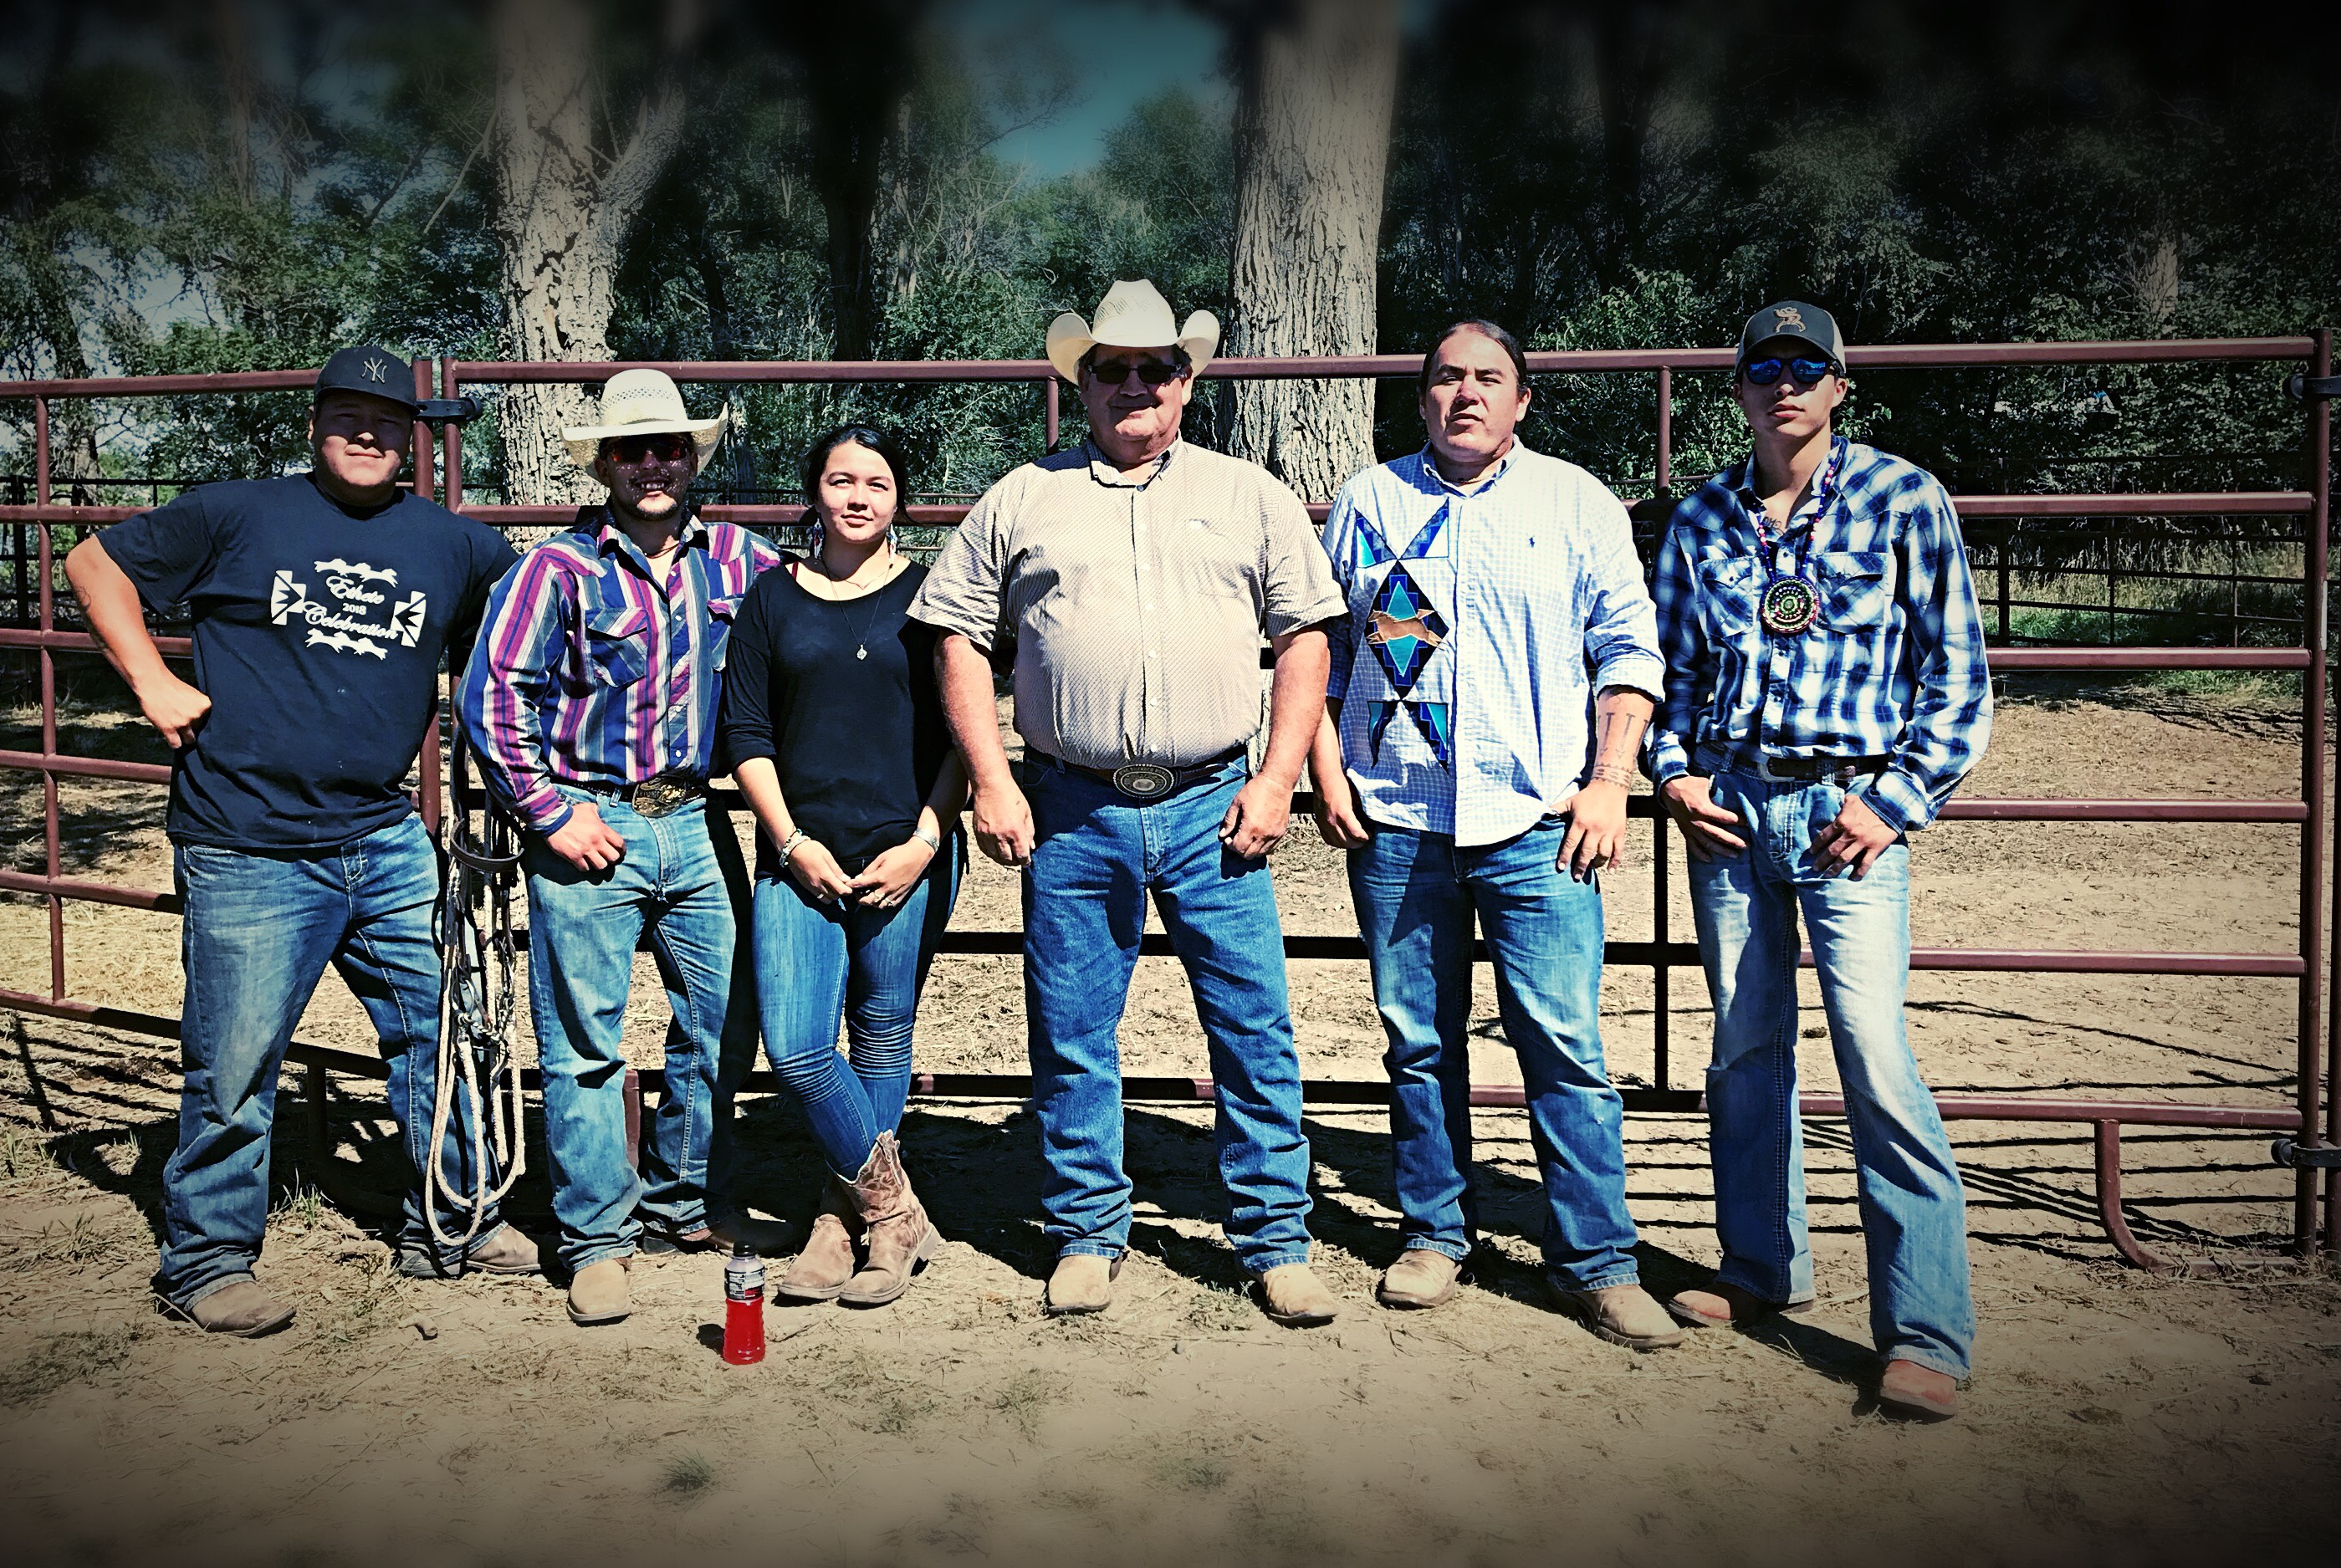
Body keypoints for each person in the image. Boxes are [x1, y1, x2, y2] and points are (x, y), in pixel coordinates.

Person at [66, 345, 533, 1336]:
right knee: (234, 1063)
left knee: (443, 1033)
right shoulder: (239, 513)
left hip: (383, 834)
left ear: (415, 433)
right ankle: (205, 1262)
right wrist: (150, 680)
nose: (367, 434)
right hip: (248, 842)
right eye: (347, 416)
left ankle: (449, 1218)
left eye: (387, 420)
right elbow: (93, 563)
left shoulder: (451, 544)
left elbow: (542, 614)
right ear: (315, 421)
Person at [911, 278, 1347, 1325]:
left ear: (1188, 382)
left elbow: (1306, 636)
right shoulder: (1022, 495)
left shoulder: (1251, 495)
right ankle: (1086, 1230)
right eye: (1113, 369)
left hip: (1214, 803)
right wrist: (993, 775)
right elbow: (956, 635)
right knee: (1070, 1029)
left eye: (1156, 368)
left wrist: (1279, 774)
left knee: (1252, 1025)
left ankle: (1274, 1235)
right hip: (1071, 803)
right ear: (1084, 382)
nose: (1135, 386)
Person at [1308, 320, 1683, 1351]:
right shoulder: (1370, 503)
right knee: (1417, 1040)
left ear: (1523, 399)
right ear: (1420, 396)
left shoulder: (1576, 502)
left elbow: (1627, 647)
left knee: (1563, 1044)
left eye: (1489, 379)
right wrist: (1325, 767)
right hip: (1399, 815)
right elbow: (1329, 648)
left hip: (1538, 820)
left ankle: (1596, 1262)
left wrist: (1611, 781)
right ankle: (1434, 1232)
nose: (1464, 393)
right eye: (1445, 377)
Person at [1648, 299, 1991, 1422]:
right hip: (1736, 807)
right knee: (1746, 1048)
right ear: (1738, 386)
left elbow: (1956, 677)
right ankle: (1758, 1268)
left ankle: (1925, 1327)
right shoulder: (1701, 517)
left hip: (1851, 811)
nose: (1782, 383)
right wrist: (1674, 769)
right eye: (1763, 367)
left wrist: (1894, 802)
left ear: (1841, 385)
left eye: (1806, 366)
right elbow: (1675, 668)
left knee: (1875, 1057)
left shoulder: (1903, 499)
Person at [461, 369, 784, 1326]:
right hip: (587, 820)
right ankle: (596, 1237)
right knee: (582, 1042)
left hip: (696, 816)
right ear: (603, 462)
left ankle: (683, 1203)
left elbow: (808, 635)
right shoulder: (554, 570)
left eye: (670, 448)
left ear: (693, 459)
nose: (653, 464)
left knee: (726, 1020)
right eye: (632, 450)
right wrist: (548, 811)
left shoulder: (742, 561)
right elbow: (492, 698)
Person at [718, 424, 969, 1308]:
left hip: (909, 850)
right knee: (794, 1048)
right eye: (840, 480)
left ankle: (841, 1217)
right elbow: (745, 733)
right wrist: (789, 842)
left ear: (901, 497)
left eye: (877, 483)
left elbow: (959, 737)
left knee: (883, 1032)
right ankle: (894, 1209)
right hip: (799, 854)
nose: (858, 497)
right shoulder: (770, 601)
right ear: (813, 492)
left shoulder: (934, 598)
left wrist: (925, 842)